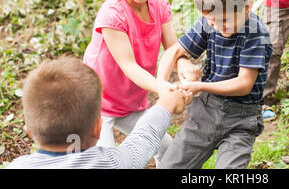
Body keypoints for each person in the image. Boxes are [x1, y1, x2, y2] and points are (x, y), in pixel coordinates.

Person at [82, 0, 199, 161]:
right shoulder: (112, 15)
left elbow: (173, 46)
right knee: (106, 163)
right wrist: (162, 88)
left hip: (131, 102)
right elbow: (129, 66)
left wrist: (183, 62)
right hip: (97, 105)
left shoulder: (158, 5)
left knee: (167, 150)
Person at [156, 0, 273, 169]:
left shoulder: (255, 34)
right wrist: (161, 85)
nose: (216, 26)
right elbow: (174, 51)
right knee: (170, 166)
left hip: (241, 119)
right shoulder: (212, 20)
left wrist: (199, 85)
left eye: (223, 20)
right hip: (206, 111)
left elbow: (244, 84)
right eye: (210, 20)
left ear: (247, 8)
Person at [6, 57, 190, 169]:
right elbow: (144, 137)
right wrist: (166, 104)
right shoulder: (109, 163)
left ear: (29, 132)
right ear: (98, 129)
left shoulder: (16, 166)